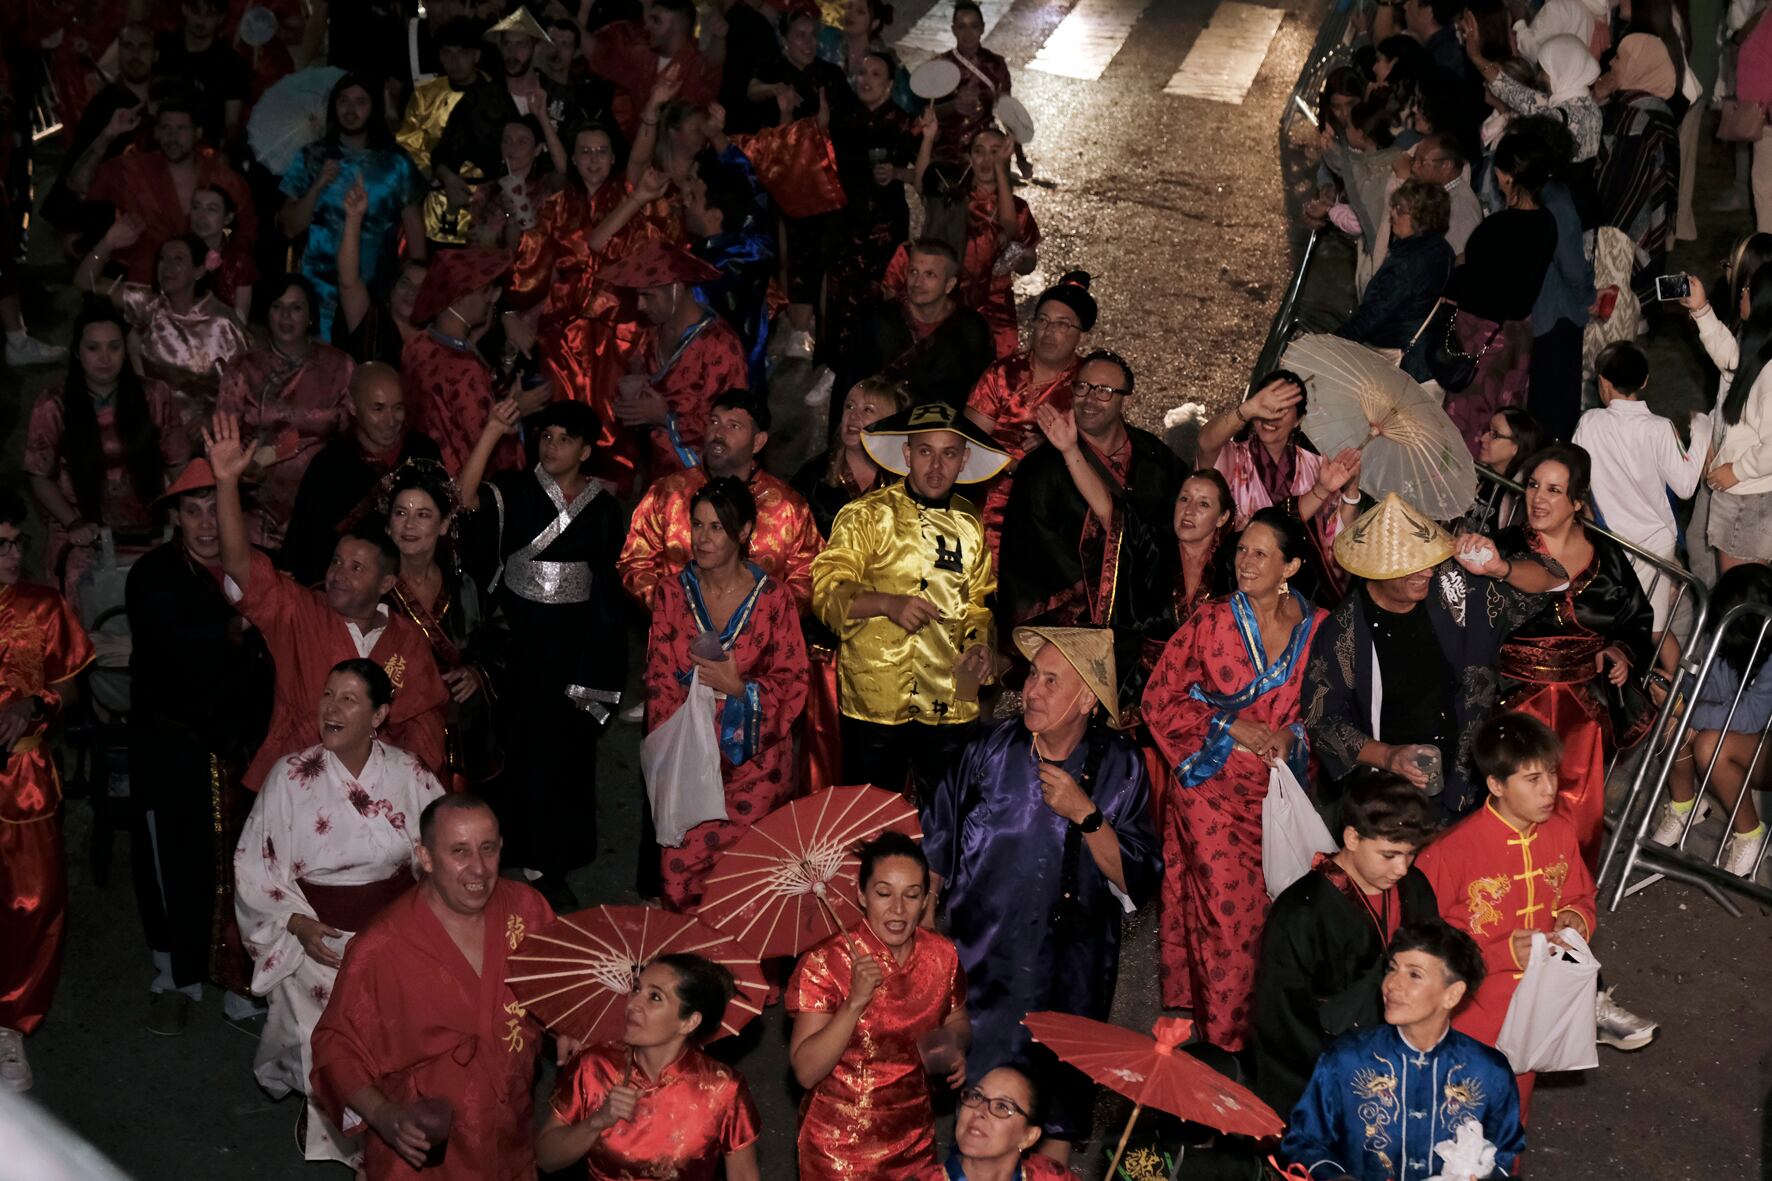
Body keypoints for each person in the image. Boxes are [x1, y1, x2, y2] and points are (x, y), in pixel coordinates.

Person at [923, 627, 1159, 1164]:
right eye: (1033, 674)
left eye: (1052, 681)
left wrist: (1086, 814)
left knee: (1060, 1094)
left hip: (1071, 965)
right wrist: (927, 922)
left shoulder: (1120, 765)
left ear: (1086, 700)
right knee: (982, 1096)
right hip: (985, 958)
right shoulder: (992, 747)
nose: (1031, 690)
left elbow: (1138, 877)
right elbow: (938, 829)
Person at [234, 660, 445, 1164]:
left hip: (392, 934)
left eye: (349, 699)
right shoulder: (289, 776)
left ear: (379, 715)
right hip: (318, 936)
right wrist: (297, 924)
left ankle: (380, 1125)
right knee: (320, 1036)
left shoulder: (409, 773)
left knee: (390, 1034)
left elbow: (440, 851)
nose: (331, 708)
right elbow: (254, 864)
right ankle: (325, 1112)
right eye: (328, 695)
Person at [1142, 508, 1325, 1051]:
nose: (1245, 562)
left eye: (1261, 553)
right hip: (1212, 795)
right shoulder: (1212, 620)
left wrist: (1293, 735)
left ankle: (1269, 1045)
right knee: (1228, 930)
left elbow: (1332, 713)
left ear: (1290, 566)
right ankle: (1227, 1051)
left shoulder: (1320, 629)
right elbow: (1159, 699)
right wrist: (1228, 724)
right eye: (1242, 549)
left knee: (1278, 925)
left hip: (1281, 799)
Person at [309, 794, 555, 1179]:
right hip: (424, 1144)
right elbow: (334, 1046)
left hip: (509, 1129)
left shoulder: (526, 909)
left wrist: (567, 1026)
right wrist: (383, 1114)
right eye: (459, 852)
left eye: (488, 849)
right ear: (425, 858)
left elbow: (560, 982)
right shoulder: (383, 946)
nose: (478, 869)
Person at [202, 412, 449, 789]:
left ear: (386, 582)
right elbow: (240, 565)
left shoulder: (407, 640)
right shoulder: (298, 610)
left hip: (380, 790)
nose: (338, 573)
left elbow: (424, 729)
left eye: (356, 567)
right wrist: (225, 483)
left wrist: (398, 789)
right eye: (336, 561)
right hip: (300, 782)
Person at [457, 399, 626, 909]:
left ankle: (550, 862)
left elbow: (608, 590)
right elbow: (464, 501)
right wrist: (492, 430)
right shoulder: (516, 490)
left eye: (564, 439)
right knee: (513, 744)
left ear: (586, 450)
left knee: (564, 750)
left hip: (572, 646)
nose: (551, 447)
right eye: (545, 436)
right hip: (516, 640)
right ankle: (501, 849)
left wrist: (598, 662)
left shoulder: (603, 508)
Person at [126, 460, 273, 1036]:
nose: (207, 523)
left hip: (246, 747)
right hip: (175, 749)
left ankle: (243, 985)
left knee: (248, 866)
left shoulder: (258, 568)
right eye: (193, 511)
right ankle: (174, 978)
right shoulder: (152, 576)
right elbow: (172, 652)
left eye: (217, 508)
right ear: (176, 519)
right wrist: (236, 631)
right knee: (173, 864)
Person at [1305, 493, 1564, 816]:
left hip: (1469, 779)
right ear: (1377, 569)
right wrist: (1389, 757)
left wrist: (1501, 568)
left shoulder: (1452, 586)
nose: (1427, 572)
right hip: (1395, 796)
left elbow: (1554, 576)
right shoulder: (1345, 631)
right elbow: (1322, 721)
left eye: (1429, 561)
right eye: (1414, 566)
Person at [1412, 714, 1618, 1118]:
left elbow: (1579, 893)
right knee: (1453, 1122)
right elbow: (1419, 947)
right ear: (1496, 785)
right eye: (1533, 779)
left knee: (1510, 1117)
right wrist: (1501, 954)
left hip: (1536, 1011)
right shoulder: (1450, 852)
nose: (1550, 789)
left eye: (1552, 773)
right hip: (1468, 1017)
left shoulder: (1560, 832)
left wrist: (1577, 917)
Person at [811, 402, 1008, 801]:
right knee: (870, 817)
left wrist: (979, 646)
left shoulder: (969, 523)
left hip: (949, 699)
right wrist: (887, 604)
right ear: (906, 454)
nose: (936, 466)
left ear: (963, 460)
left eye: (948, 454)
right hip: (876, 700)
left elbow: (977, 603)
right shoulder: (865, 516)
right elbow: (826, 590)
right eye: (925, 451)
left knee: (950, 816)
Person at [644, 477, 809, 908]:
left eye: (716, 527)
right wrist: (683, 742)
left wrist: (739, 688)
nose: (702, 538)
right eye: (697, 525)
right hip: (689, 757)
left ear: (743, 531)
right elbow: (659, 678)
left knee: (750, 882)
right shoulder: (671, 593)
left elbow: (793, 679)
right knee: (682, 877)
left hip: (756, 765)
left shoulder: (773, 598)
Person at [1000, 349, 1187, 715]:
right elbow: (1028, 557)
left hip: (1149, 624)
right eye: (1082, 387)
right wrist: (1093, 606)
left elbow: (1180, 528)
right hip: (1075, 630)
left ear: (1126, 400)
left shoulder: (1153, 456)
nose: (1089, 399)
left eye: (1103, 391)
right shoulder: (1042, 467)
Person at [1495, 444, 1654, 866]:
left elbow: (1636, 617)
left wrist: (1620, 650)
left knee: (1575, 817)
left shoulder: (1608, 557)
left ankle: (1568, 896)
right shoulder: (1505, 548)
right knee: (1513, 809)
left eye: (1553, 490)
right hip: (1511, 701)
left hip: (1582, 712)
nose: (1537, 498)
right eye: (1533, 485)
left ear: (1578, 501)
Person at [1276, 919, 1525, 1181]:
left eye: (1414, 975)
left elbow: (1504, 1153)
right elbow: (1303, 1141)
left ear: (1452, 994)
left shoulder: (1489, 1071)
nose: (1392, 984)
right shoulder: (1346, 1059)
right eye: (1392, 969)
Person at [1252, 773, 1442, 1116]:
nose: (1401, 869)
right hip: (1329, 1070)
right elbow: (1283, 1021)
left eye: (1410, 854)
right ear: (1352, 837)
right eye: (1389, 855)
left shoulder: (1415, 888)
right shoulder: (1301, 912)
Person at [789, 833, 969, 1180]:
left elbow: (958, 1019)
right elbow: (806, 1072)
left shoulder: (942, 954)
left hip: (915, 1139)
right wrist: (854, 1003)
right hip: (839, 1149)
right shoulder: (825, 961)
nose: (898, 909)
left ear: (925, 899)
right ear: (861, 895)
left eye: (911, 895)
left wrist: (954, 1046)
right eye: (884, 893)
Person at [505, 116, 674, 487]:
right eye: (585, 151)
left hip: (621, 330)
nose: (593, 159)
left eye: (601, 151)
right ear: (573, 158)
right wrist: (509, 311)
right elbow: (530, 265)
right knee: (562, 420)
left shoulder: (635, 201)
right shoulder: (556, 206)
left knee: (615, 422)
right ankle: (555, 501)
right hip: (563, 333)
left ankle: (607, 504)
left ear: (613, 157)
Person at [0, 491, 97, 1094]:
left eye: (17, 544)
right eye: (0, 546)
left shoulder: (43, 605)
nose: (13, 555)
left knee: (32, 901)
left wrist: (33, 703)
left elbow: (72, 686)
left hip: (24, 780)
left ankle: (10, 1022)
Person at [537, 954, 762, 1180]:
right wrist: (596, 1122)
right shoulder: (594, 1065)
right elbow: (545, 1159)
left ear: (689, 1022)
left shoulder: (722, 1089)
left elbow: (744, 1176)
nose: (633, 1004)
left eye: (655, 997)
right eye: (636, 989)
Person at [25, 304, 191, 598]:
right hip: (81, 529)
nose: (105, 358)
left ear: (125, 350)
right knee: (80, 588)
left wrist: (182, 510)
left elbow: (178, 462)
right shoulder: (53, 404)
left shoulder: (155, 395)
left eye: (114, 347)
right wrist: (73, 522)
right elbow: (39, 476)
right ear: (78, 352)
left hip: (149, 527)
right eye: (93, 348)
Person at [619, 389, 825, 611]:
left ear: (758, 442)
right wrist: (674, 611)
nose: (718, 433)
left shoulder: (788, 507)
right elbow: (635, 563)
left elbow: (809, 574)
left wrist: (764, 618)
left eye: (733, 426)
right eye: (714, 422)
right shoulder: (667, 494)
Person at [1432, 125, 1559, 453]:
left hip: (1480, 336)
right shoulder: (1547, 223)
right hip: (1516, 338)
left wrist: (1456, 275)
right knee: (1501, 421)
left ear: (1507, 177)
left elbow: (1474, 279)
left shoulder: (1497, 226)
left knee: (1464, 419)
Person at [382, 460, 507, 791]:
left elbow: (501, 638)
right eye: (400, 513)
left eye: (423, 514)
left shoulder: (465, 587)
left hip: (463, 734)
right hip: (395, 732)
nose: (410, 524)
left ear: (443, 524)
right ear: (388, 523)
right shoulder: (374, 590)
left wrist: (477, 671)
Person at [1572, 341, 1707, 641]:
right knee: (1652, 629)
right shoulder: (1660, 428)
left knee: (1604, 622)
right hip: (1654, 546)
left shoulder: (1590, 422)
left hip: (1608, 539)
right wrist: (1701, 432)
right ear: (1644, 381)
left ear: (1603, 381)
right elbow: (1686, 487)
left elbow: (1576, 476)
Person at [1194, 373, 1360, 616]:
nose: (1271, 416)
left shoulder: (1316, 467)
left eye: (1282, 410)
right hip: (1231, 583)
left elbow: (1335, 538)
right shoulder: (1233, 457)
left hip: (1295, 596)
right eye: (1267, 405)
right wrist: (1247, 409)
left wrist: (1351, 491)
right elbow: (1205, 443)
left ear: (1299, 419)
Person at [277, 72, 427, 337]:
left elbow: (414, 229)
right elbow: (289, 227)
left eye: (360, 101)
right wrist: (318, 186)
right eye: (343, 100)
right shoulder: (312, 157)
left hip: (378, 289)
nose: (350, 109)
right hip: (319, 289)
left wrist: (418, 289)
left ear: (374, 107)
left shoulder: (396, 162)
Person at [217, 275, 356, 552]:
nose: (285, 316)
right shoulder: (243, 368)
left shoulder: (339, 366)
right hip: (256, 511)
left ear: (311, 315)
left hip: (323, 508)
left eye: (296, 307)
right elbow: (224, 437)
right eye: (277, 307)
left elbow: (355, 438)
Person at [1653, 563, 1772, 875]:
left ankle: (1750, 834)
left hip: (1765, 746)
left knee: (1710, 745)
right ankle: (1684, 807)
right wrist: (1678, 688)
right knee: (1673, 725)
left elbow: (1751, 716)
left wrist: (1686, 709)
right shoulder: (1732, 644)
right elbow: (1708, 688)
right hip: (1752, 741)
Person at [964, 271, 1093, 556]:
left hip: (1052, 508)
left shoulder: (1088, 385)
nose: (1048, 331)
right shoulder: (1003, 373)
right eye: (1042, 321)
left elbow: (1106, 448)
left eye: (1062, 324)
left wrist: (1051, 451)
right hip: (989, 497)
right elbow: (968, 440)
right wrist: (1012, 466)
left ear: (1081, 334)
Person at [283, 364, 444, 587]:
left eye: (398, 408)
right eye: (378, 409)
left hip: (418, 582)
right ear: (353, 407)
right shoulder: (330, 466)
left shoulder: (422, 452)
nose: (391, 421)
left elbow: (446, 520)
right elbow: (304, 546)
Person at [76, 221, 252, 421]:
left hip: (208, 426)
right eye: (162, 259)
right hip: (151, 419)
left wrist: (210, 419)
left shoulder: (224, 322)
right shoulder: (147, 306)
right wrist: (107, 243)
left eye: (178, 259)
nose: (167, 266)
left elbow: (246, 388)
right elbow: (84, 282)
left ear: (199, 271)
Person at [605, 242, 751, 478]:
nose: (640, 306)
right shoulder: (653, 331)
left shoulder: (720, 345)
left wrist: (666, 417)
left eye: (647, 296)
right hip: (657, 474)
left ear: (677, 289)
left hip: (700, 480)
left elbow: (736, 423)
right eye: (637, 296)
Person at [74, 99, 256, 285]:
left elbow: (246, 234)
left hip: (207, 287)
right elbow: (79, 183)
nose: (172, 136)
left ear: (197, 133)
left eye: (181, 129)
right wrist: (108, 134)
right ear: (156, 132)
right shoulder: (133, 169)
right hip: (144, 286)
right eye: (165, 128)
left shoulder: (223, 178)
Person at [898, 126, 1036, 361]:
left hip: (996, 309)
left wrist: (1019, 260)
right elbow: (923, 186)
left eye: (995, 152)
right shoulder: (955, 198)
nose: (986, 159)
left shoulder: (1018, 208)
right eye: (979, 151)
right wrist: (928, 138)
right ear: (969, 156)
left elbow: (1029, 264)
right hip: (947, 301)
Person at [402, 246, 542, 474]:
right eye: (485, 291)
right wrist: (514, 412)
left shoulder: (417, 344)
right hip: (462, 483)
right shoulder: (464, 369)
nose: (492, 298)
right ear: (459, 297)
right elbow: (491, 451)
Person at [1680, 267, 1772, 570]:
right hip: (1743, 493)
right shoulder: (1759, 349)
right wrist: (1701, 310)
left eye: (1748, 290)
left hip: (1748, 498)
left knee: (1740, 587)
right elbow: (1730, 359)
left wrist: (1738, 469)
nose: (1741, 293)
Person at [838, 239, 995, 411]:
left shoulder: (970, 328)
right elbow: (850, 383)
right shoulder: (878, 319)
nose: (917, 282)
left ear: (949, 284)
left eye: (930, 274)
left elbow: (982, 396)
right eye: (913, 271)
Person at [1595, 33, 1680, 300]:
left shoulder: (1636, 116)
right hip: (1650, 217)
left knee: (1630, 275)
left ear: (1638, 66)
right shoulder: (1657, 109)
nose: (1611, 64)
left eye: (1619, 58)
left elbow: (1617, 182)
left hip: (1629, 219)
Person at [1334, 180, 1453, 351]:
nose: (1392, 213)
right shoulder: (1442, 249)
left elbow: (1373, 315)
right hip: (1420, 348)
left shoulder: (1408, 260)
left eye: (1400, 209)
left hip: (1390, 350)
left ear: (1422, 217)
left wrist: (1332, 343)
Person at [587, 0, 723, 138]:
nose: (647, 26)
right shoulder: (643, 57)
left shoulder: (696, 64)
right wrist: (580, 13)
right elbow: (600, 55)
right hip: (639, 147)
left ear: (678, 26)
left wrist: (719, 36)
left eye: (656, 21)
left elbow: (714, 61)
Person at [332, 181, 431, 368]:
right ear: (392, 289)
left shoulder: (437, 340)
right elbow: (348, 280)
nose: (411, 292)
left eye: (421, 288)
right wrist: (353, 218)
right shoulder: (372, 323)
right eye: (405, 283)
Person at [910, 1067, 1070, 1180]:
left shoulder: (1050, 1176)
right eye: (976, 1096)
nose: (979, 1111)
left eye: (1002, 1106)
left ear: (1029, 1136)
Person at [395, 18, 488, 178]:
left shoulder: (497, 92)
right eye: (447, 53)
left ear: (476, 55)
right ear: (440, 56)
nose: (454, 61)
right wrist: (431, 173)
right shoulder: (425, 95)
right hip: (436, 186)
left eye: (462, 53)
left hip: (488, 186)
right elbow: (407, 141)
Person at [1171, 469, 1237, 626]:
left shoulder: (1232, 566)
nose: (1189, 510)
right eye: (1184, 499)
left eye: (1203, 504)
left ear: (1222, 518)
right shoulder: (1150, 552)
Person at [1465, 405, 1543, 533]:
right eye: (1487, 430)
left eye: (1494, 434)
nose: (1483, 438)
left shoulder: (1520, 497)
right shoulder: (1478, 474)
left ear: (1516, 447)